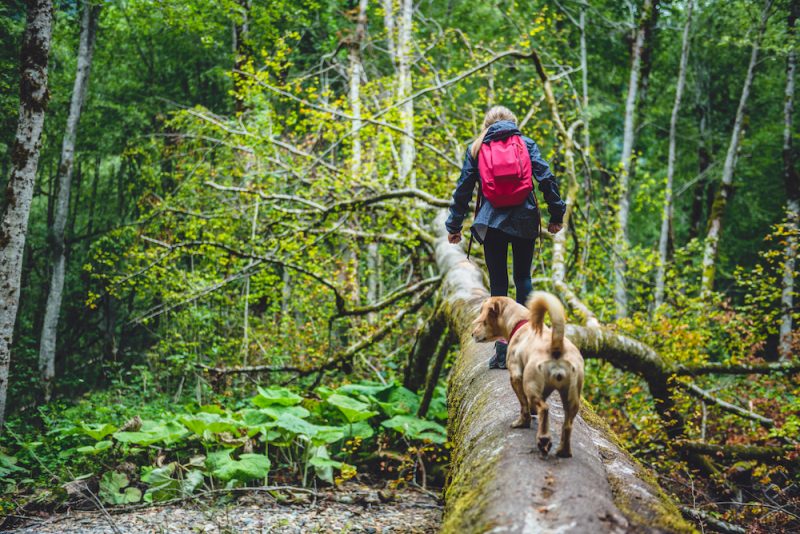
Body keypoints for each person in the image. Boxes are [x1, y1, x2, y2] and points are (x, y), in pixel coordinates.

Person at [445, 105, 566, 369]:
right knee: (523, 279)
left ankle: (502, 352)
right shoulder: (525, 143)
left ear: (486, 125)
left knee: (498, 284)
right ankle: (529, 343)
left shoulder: (476, 149)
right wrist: (556, 214)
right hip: (525, 220)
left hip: (491, 223)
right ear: (513, 122)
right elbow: (546, 178)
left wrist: (454, 226)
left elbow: (463, 189)